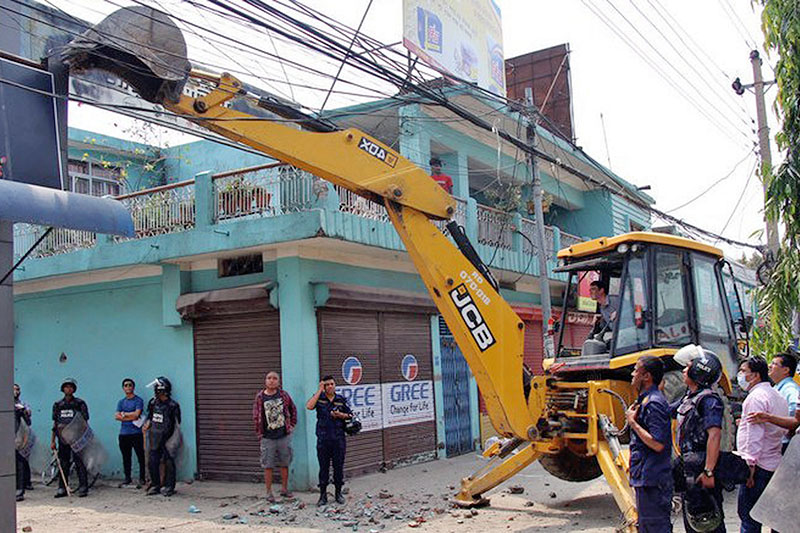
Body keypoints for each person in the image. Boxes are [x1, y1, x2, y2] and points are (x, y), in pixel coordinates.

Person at [672, 346, 726, 533]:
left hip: (702, 469)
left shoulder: (709, 400)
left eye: (687, 367)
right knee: (693, 520)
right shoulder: (689, 398)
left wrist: (709, 471)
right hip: (690, 469)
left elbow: (715, 435)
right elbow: (668, 411)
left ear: (698, 372)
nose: (683, 370)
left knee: (709, 521)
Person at [736, 356, 788, 533]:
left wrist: (749, 466)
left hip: (757, 466)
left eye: (743, 371)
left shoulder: (755, 398)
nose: (740, 375)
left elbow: (754, 436)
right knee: (772, 517)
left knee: (749, 517)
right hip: (773, 463)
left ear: (755, 375)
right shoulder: (777, 395)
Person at [625, 356, 672, 532]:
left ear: (647, 376)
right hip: (646, 477)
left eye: (636, 370)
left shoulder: (654, 403)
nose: (632, 373)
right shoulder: (645, 400)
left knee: (655, 527)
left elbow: (658, 444)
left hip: (653, 479)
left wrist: (633, 423)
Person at [306, 375, 352, 506]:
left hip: (338, 439)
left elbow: (350, 415)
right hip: (323, 439)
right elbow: (309, 406)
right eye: (327, 385)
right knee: (323, 468)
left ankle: (338, 493)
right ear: (323, 386)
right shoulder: (319, 399)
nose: (330, 386)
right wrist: (319, 391)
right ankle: (322, 496)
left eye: (332, 384)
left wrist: (340, 415)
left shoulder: (340, 399)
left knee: (338, 467)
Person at [252, 371, 297, 502]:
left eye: (274, 378)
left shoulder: (283, 395)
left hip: (283, 436)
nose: (271, 380)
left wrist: (291, 426)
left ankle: (284, 489)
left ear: (278, 381)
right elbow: (256, 416)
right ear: (265, 381)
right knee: (268, 465)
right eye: (269, 378)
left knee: (285, 463)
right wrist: (260, 433)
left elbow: (293, 410)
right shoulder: (260, 397)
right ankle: (268, 492)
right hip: (267, 437)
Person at [51, 378, 90, 498]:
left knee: (79, 462)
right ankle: (62, 487)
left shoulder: (80, 403)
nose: (68, 389)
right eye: (66, 386)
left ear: (74, 389)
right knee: (63, 463)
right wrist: (52, 441)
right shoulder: (58, 404)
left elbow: (85, 421)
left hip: (77, 439)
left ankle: (83, 487)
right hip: (63, 439)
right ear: (63, 389)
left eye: (71, 387)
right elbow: (55, 424)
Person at [143, 377, 181, 496]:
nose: (159, 394)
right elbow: (150, 416)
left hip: (168, 438)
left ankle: (169, 486)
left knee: (169, 462)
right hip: (154, 437)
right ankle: (155, 485)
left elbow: (177, 423)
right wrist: (147, 424)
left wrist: (172, 439)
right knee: (152, 462)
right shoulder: (153, 403)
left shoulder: (173, 405)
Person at [115, 378, 145, 488]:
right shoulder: (121, 402)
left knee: (140, 456)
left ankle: (142, 478)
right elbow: (116, 416)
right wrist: (129, 416)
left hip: (136, 433)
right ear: (123, 388)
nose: (128, 387)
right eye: (126, 385)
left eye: (130, 385)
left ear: (133, 387)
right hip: (124, 434)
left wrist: (124, 415)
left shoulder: (138, 400)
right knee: (126, 457)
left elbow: (137, 415)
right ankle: (127, 478)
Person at [767, 352, 799, 453]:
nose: (769, 366)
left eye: (774, 364)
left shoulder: (790, 388)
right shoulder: (777, 387)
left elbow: (795, 409)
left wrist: (789, 429)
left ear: (786, 370)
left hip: (785, 443)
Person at [14, 383, 33, 491]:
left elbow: (28, 418)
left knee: (22, 460)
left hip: (21, 437)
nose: (16, 392)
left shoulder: (22, 404)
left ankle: (25, 483)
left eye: (17, 389)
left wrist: (23, 411)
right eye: (13, 389)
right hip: (9, 436)